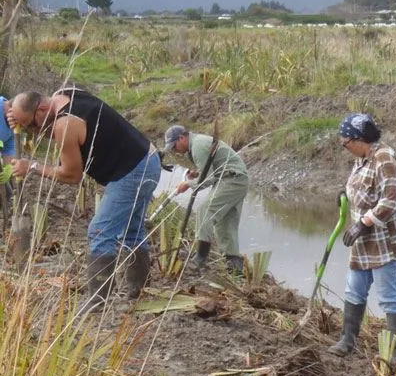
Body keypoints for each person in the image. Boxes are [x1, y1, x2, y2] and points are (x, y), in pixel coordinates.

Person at [5, 88, 160, 312]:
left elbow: (71, 175)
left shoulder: (65, 125)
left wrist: (32, 166)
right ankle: (139, 289)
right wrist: (18, 118)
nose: (33, 132)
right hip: (147, 158)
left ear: (41, 109)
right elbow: (46, 126)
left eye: (31, 125)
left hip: (134, 172)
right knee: (131, 229)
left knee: (99, 231)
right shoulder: (64, 94)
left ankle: (97, 303)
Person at [327, 113, 396, 365]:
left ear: (359, 139)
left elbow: (391, 198)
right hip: (364, 242)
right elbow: (363, 186)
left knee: (390, 296)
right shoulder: (363, 159)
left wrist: (364, 224)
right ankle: (347, 340)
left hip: (385, 240)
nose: (345, 147)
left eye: (346, 142)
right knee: (354, 290)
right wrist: (345, 193)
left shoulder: (384, 157)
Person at [163, 124, 250, 276]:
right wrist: (195, 174)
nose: (174, 150)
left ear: (182, 138)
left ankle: (200, 258)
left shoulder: (198, 145)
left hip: (232, 179)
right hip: (235, 178)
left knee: (205, 209)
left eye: (174, 146)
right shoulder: (196, 144)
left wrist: (188, 184)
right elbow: (209, 170)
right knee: (225, 222)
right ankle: (235, 266)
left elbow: (208, 179)